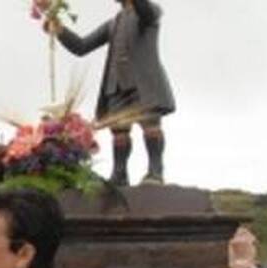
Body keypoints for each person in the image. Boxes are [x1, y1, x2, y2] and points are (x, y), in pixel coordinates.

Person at [48, 0, 176, 185]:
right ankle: (119, 174)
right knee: (119, 133)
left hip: (142, 83)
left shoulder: (150, 11)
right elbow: (81, 46)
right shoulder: (113, 23)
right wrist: (58, 27)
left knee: (150, 126)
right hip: (116, 85)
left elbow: (144, 9)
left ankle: (155, 171)